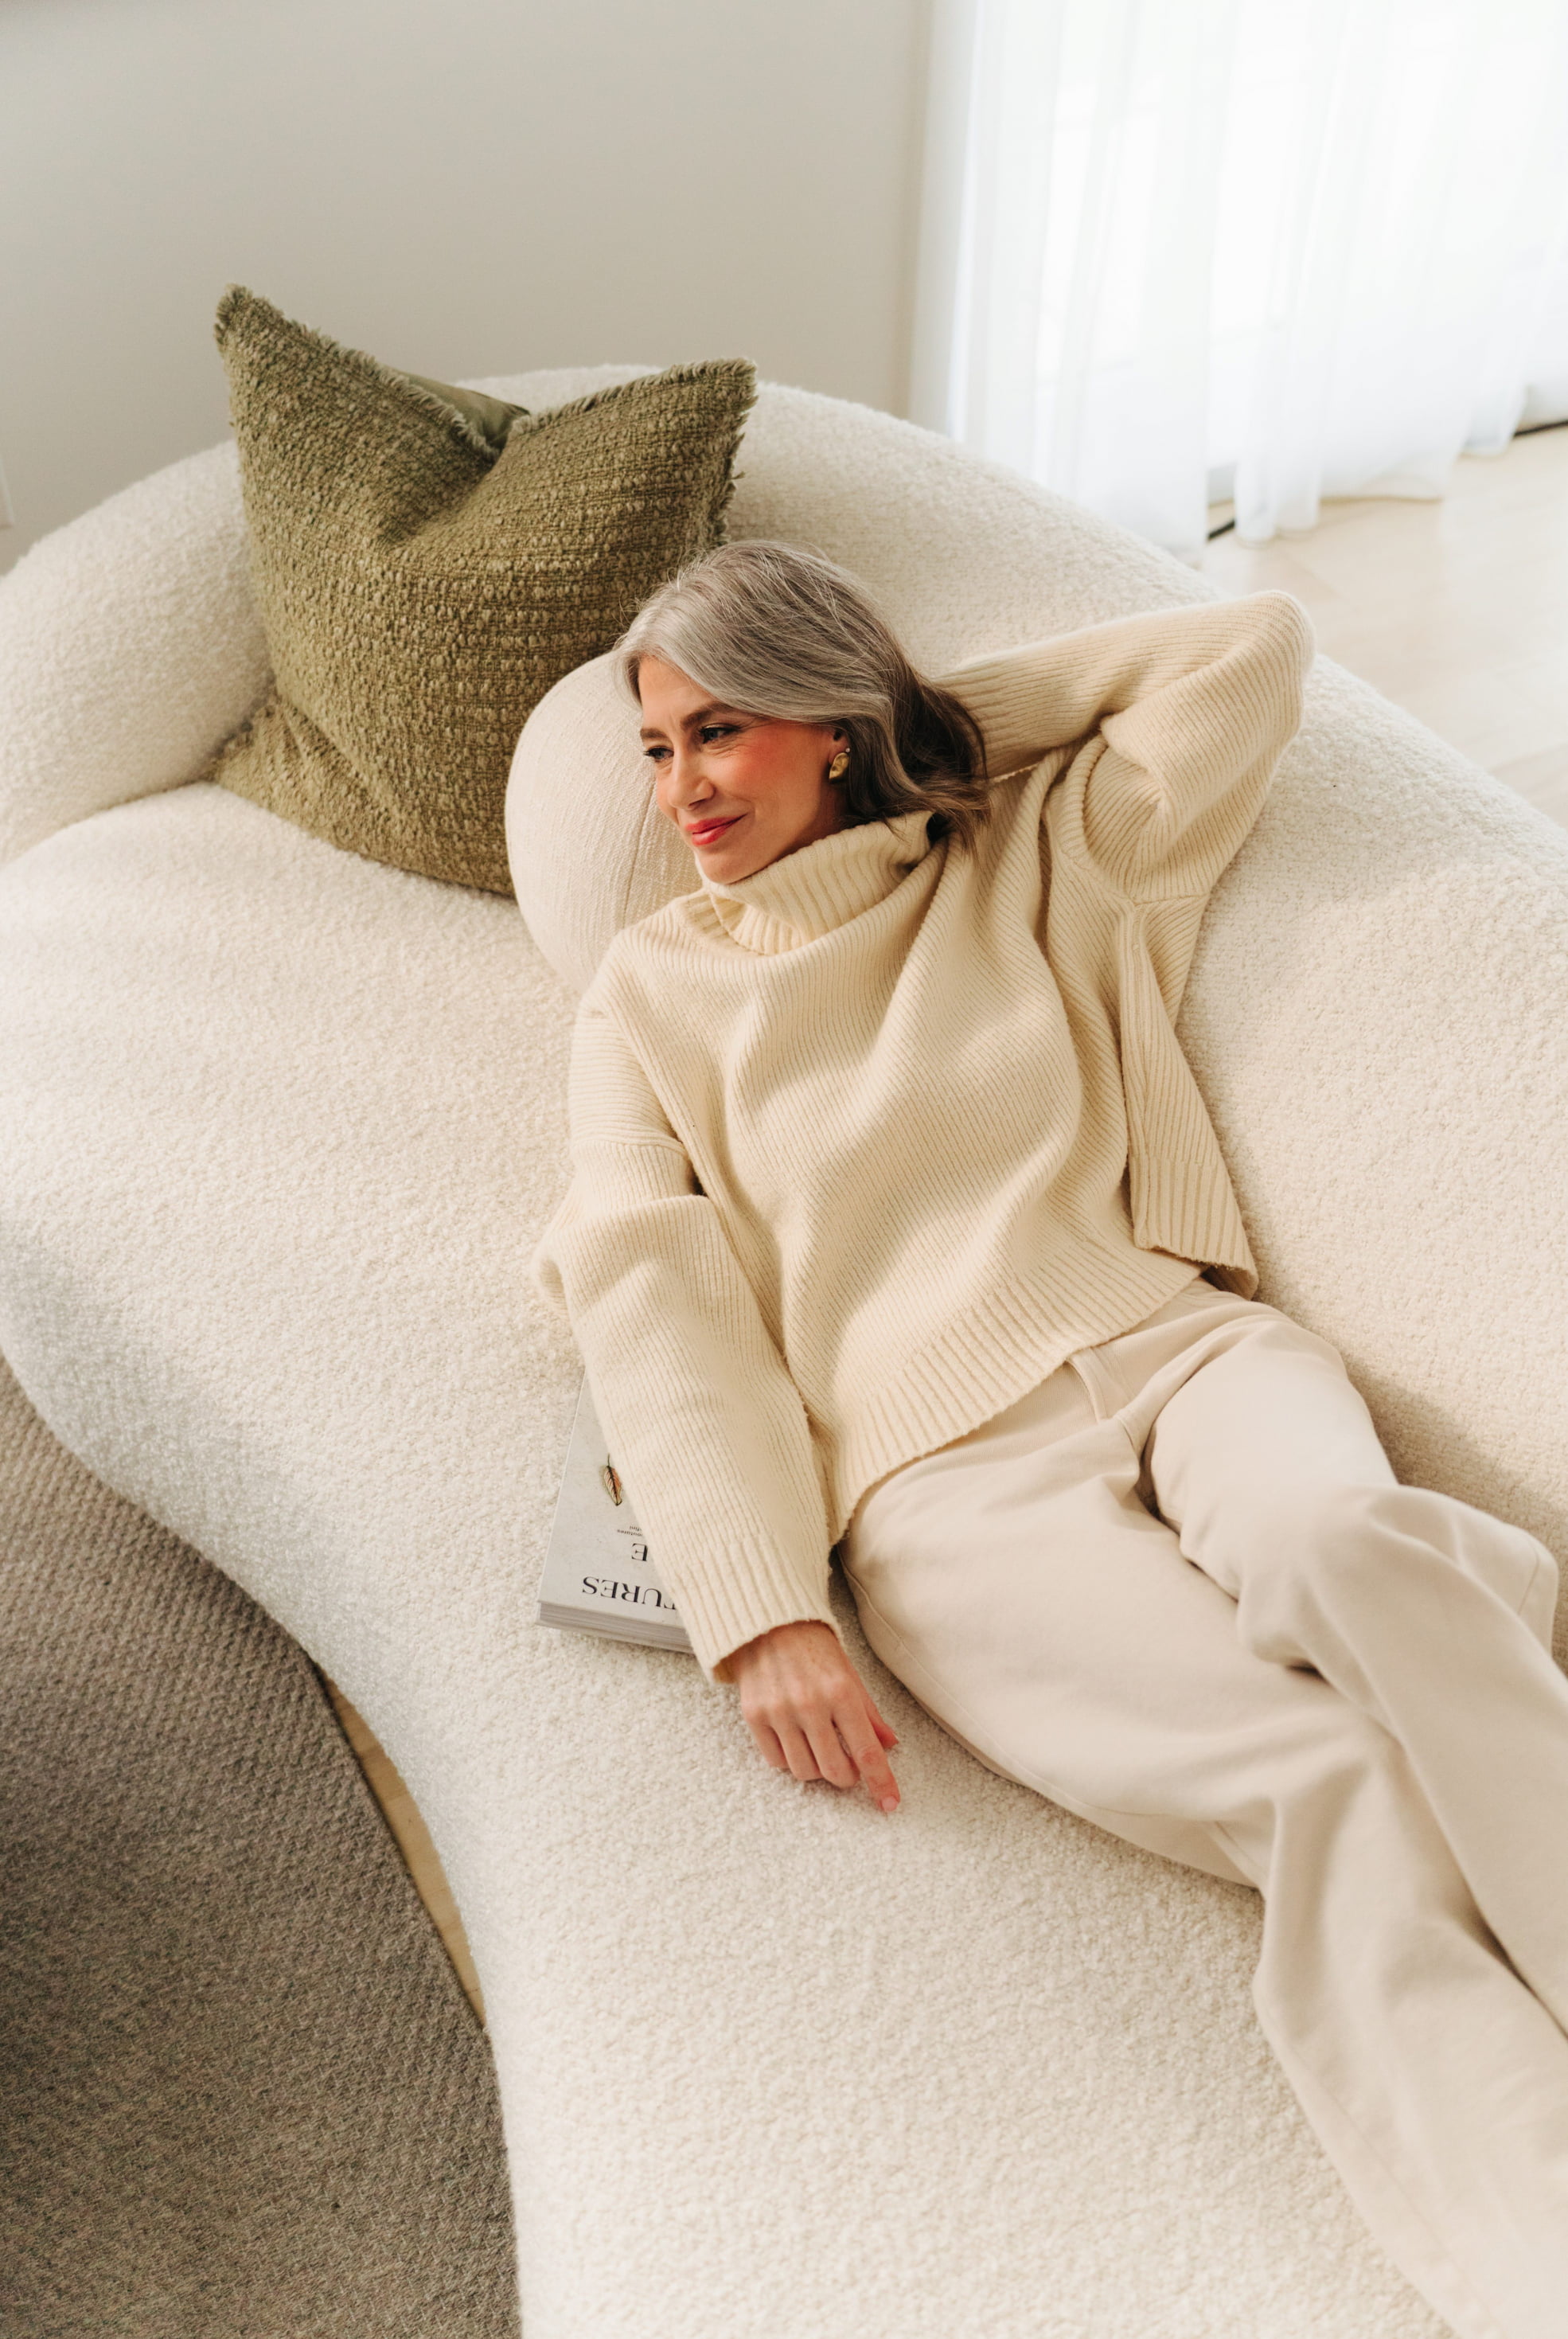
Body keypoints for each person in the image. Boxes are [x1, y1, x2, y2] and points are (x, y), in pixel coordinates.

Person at [531, 540, 1568, 2339]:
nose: (682, 786)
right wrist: (759, 1601)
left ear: (831, 723)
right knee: (1325, 1786)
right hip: (943, 1488)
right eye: (658, 748)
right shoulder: (647, 991)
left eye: (723, 728)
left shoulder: (1031, 847)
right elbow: (641, 1279)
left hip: (1181, 1342)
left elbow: (1245, 648)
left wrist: (921, 728)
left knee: (1346, 1545)